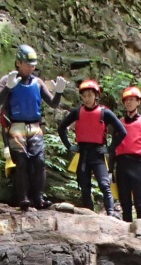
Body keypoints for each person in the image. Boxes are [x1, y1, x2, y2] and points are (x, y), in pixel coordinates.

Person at [0, 44, 67, 211]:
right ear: (18, 63)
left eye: (33, 65)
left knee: (39, 161)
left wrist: (59, 92)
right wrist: (8, 88)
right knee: (21, 162)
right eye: (28, 64)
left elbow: (53, 103)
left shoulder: (38, 82)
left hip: (35, 126)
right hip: (15, 126)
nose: (31, 68)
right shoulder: (7, 80)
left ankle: (39, 197)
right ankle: (23, 198)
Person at [57, 80, 127, 216]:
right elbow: (61, 128)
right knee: (85, 187)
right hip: (83, 154)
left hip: (97, 153)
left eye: (90, 95)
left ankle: (111, 213)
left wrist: (110, 148)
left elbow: (122, 131)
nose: (87, 99)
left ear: (96, 95)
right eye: (84, 96)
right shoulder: (77, 112)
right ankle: (89, 215)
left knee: (104, 185)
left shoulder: (104, 113)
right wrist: (69, 146)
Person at [110, 86, 141, 222]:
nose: (128, 102)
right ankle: (126, 234)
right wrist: (110, 169)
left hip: (137, 164)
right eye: (126, 100)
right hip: (121, 164)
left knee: (139, 202)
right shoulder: (119, 123)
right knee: (125, 203)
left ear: (138, 102)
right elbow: (113, 147)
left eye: (132, 100)